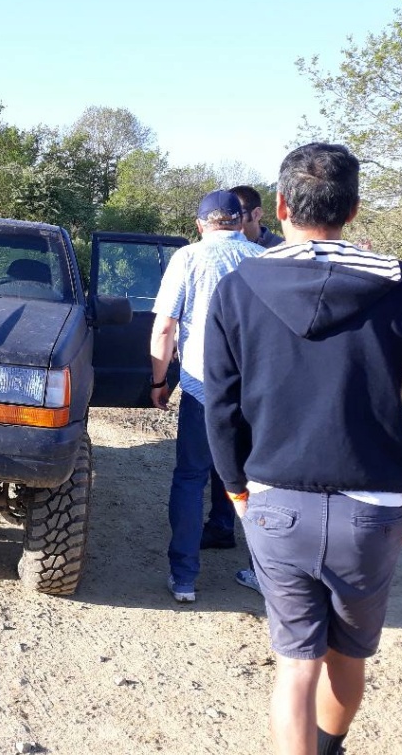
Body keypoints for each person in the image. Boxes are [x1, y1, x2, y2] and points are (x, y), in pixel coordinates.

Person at [204, 142, 402, 755]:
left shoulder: (238, 287)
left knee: (295, 665)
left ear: (282, 204)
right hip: (371, 509)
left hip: (274, 500)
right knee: (347, 655)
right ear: (354, 209)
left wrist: (236, 484)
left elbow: (220, 406)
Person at [150, 190, 265, 603]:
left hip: (202, 387)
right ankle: (262, 572)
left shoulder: (187, 258)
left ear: (200, 224)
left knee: (189, 477)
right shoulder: (263, 260)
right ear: (240, 220)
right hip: (256, 392)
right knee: (255, 481)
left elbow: (165, 328)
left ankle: (184, 579)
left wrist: (159, 381)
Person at [201, 184, 286, 594]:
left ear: (254, 215)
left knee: (257, 472)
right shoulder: (262, 256)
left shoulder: (278, 256)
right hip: (238, 377)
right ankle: (222, 527)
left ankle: (266, 564)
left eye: (240, 216)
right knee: (227, 462)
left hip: (255, 384)